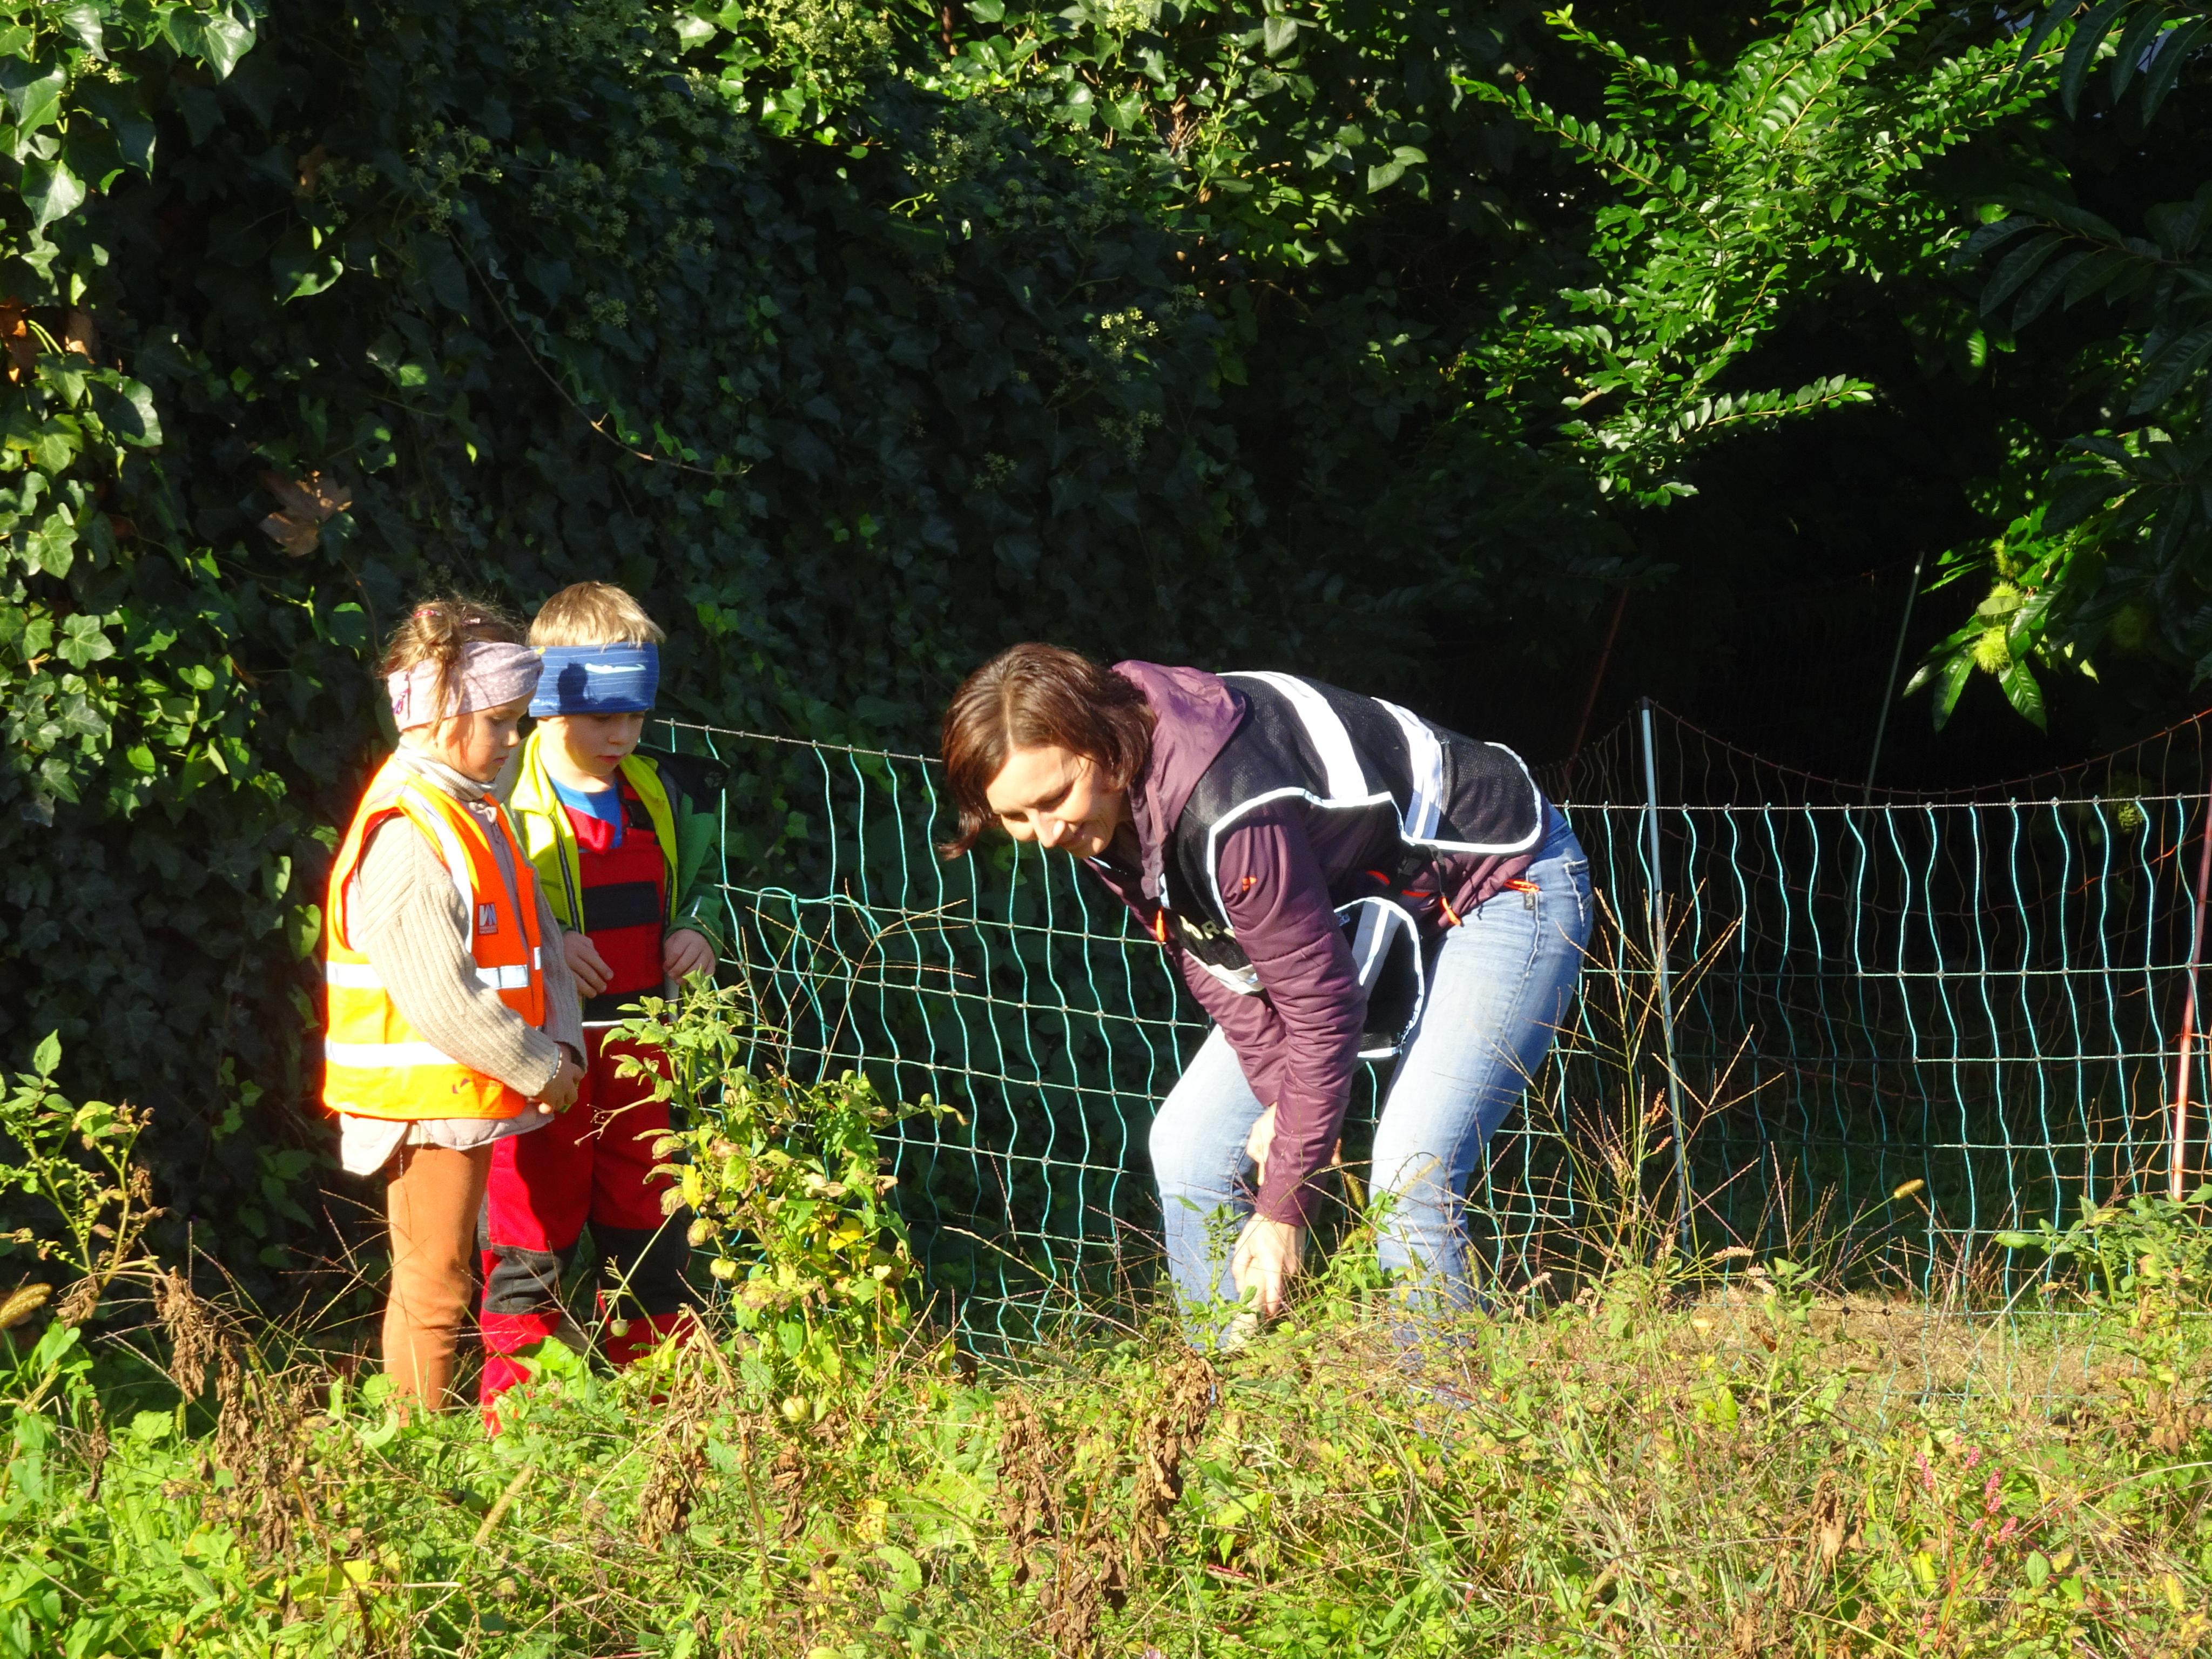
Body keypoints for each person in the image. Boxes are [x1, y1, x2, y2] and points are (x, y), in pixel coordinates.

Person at [940, 645, 1590, 1338]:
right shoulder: (1107, 811)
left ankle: (1443, 1402)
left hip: (1496, 883)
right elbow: (1207, 957)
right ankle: (1229, 1389)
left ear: (1104, 748)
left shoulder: (1228, 808)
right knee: (1189, 1147)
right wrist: (1286, 1103)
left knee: (1410, 1178)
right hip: (1365, 906)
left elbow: (1322, 1010)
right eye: (1016, 817)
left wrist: (1285, 1205)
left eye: (1051, 800)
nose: (1045, 835)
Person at [322, 598, 586, 1410]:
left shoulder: (470, 806)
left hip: (468, 1088)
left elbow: (540, 940)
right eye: (501, 720)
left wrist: (561, 1044)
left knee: (446, 1276)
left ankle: (423, 1440)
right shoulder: (409, 828)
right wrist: (541, 1064)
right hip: (427, 1102)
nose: (515, 739)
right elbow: (439, 994)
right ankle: (412, 1449)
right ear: (440, 714)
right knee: (434, 1284)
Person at [478, 582, 726, 1408]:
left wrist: (699, 927)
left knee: (651, 1237)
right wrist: (545, 942)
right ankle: (523, 1424)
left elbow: (706, 883)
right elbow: (467, 913)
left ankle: (660, 1414)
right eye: (600, 717)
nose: (621, 735)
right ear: (548, 702)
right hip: (539, 1062)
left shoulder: (663, 794)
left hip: (645, 1060)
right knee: (529, 1245)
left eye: (636, 716)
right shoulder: (499, 797)